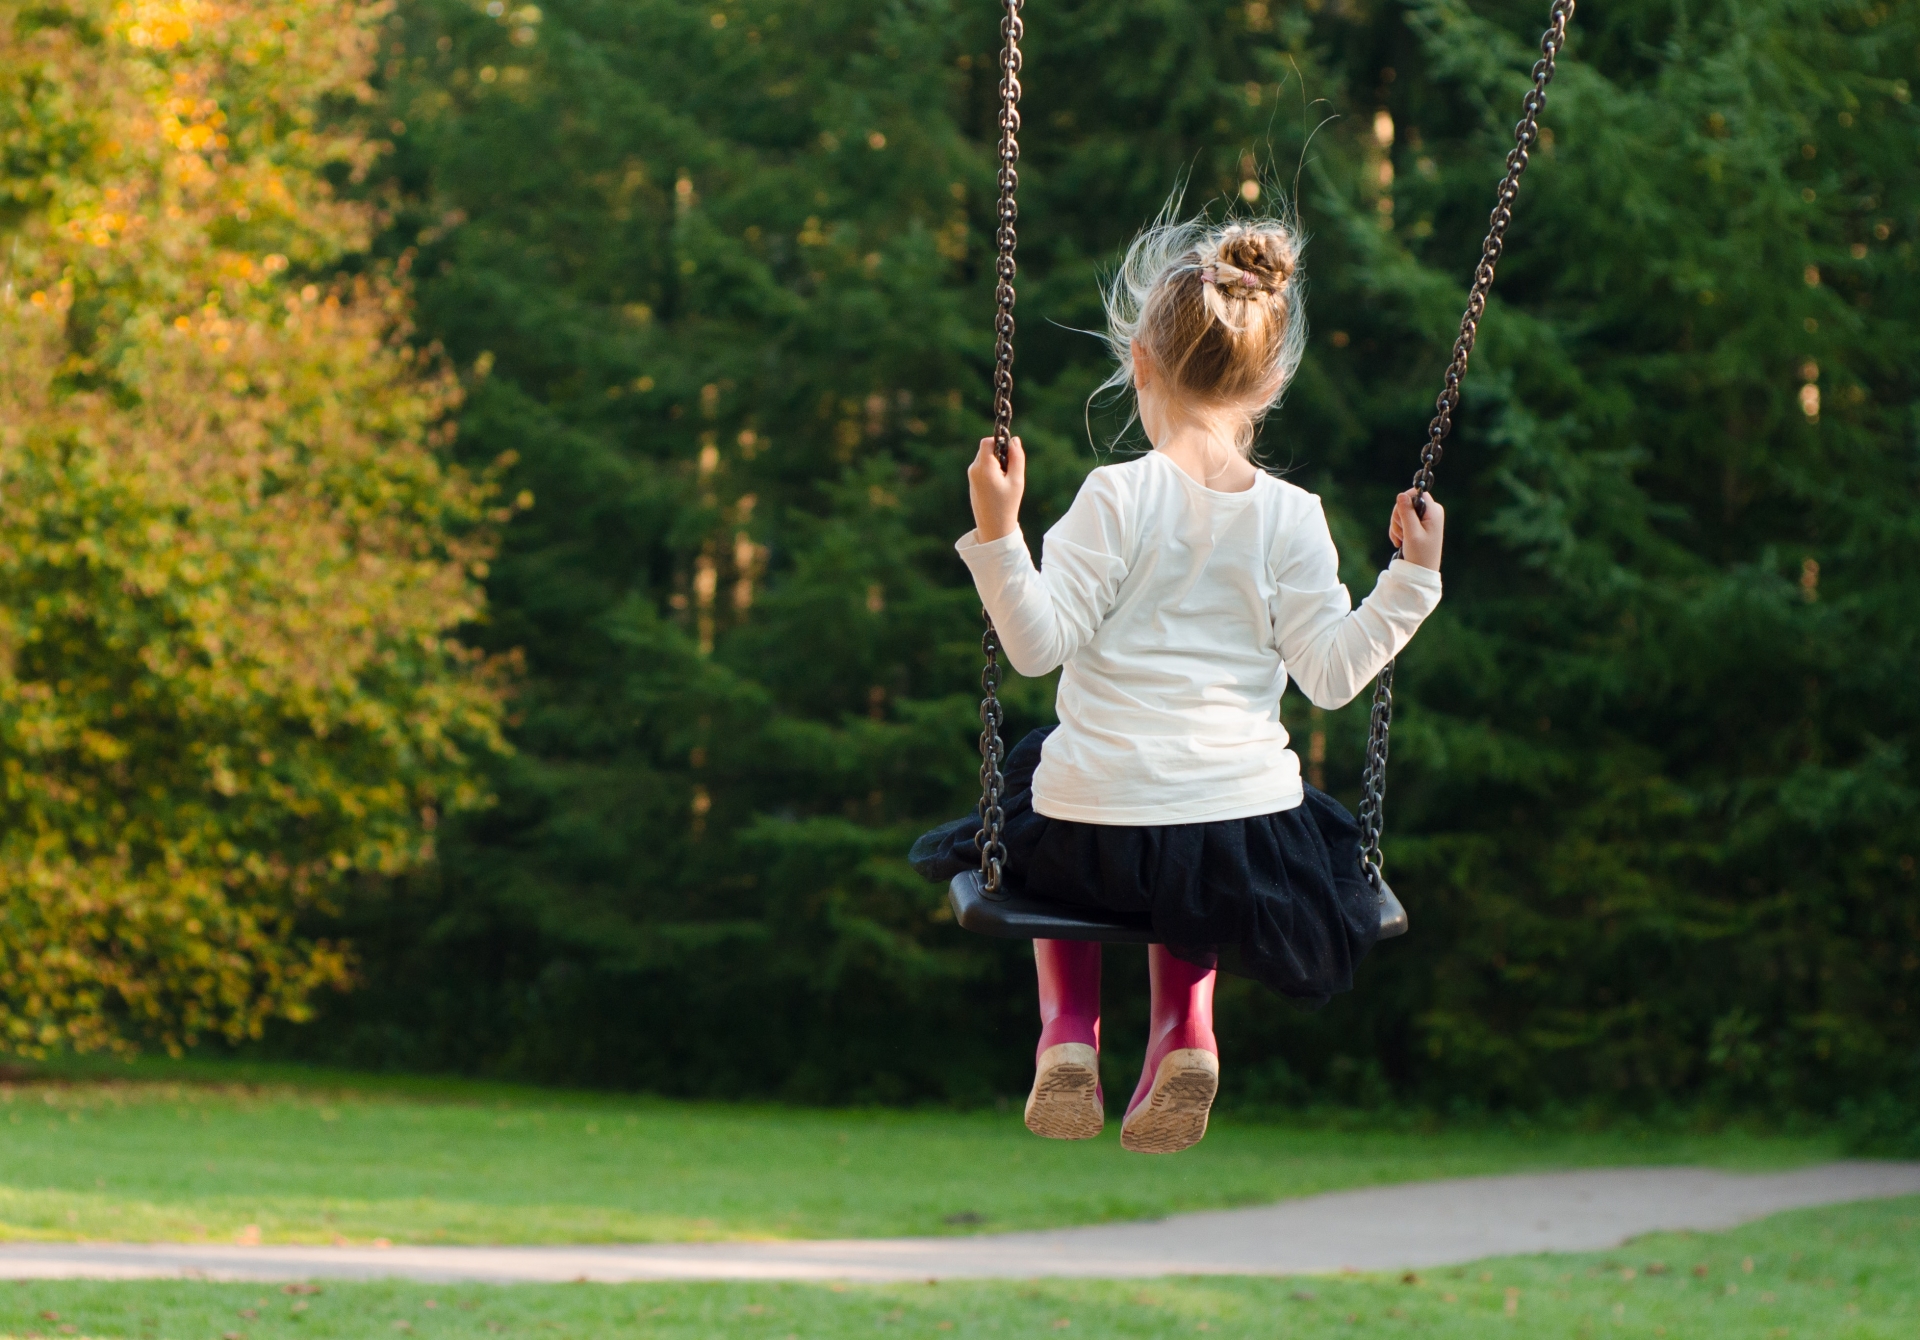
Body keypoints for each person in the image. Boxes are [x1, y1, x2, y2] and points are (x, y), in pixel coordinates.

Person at [910, 212, 1446, 1154]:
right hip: (1238, 836)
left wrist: (999, 534)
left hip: (1092, 830)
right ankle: (1186, 1034)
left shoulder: (1114, 497)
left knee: (1043, 783)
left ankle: (1068, 1032)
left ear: (1139, 363)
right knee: (1198, 849)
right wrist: (1412, 581)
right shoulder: (1293, 517)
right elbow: (1330, 678)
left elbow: (1034, 647)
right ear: (1271, 382)